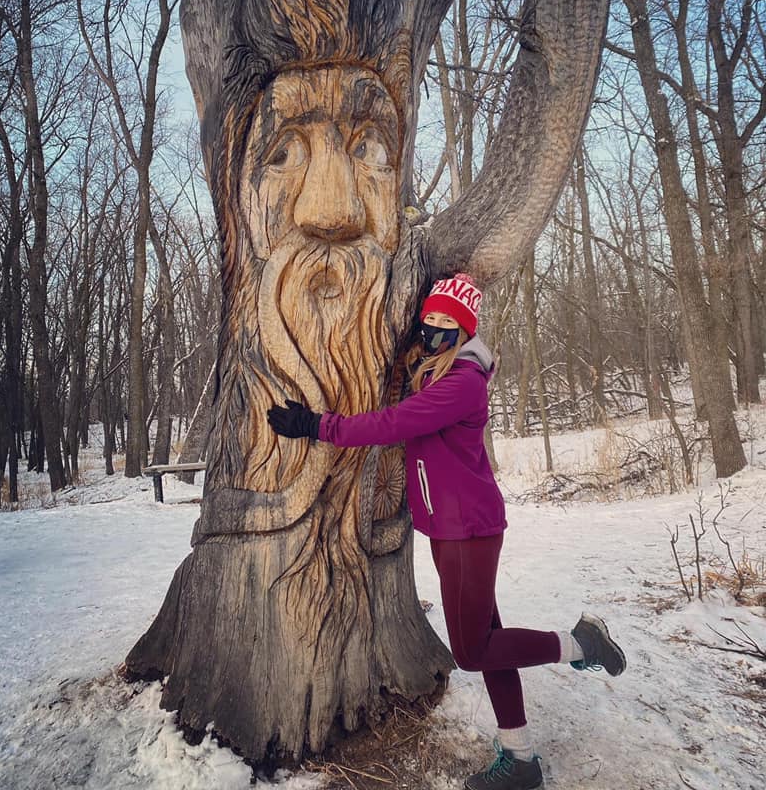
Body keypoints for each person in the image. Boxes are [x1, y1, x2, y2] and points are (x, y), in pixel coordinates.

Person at [267, 272, 627, 790]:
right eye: (429, 318)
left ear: (464, 329)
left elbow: (392, 424)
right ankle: (521, 760)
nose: (433, 327)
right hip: (449, 524)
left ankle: (581, 643)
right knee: (491, 641)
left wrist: (316, 425)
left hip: (467, 529)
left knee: (472, 651)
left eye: (445, 321)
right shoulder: (439, 372)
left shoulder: (461, 384)